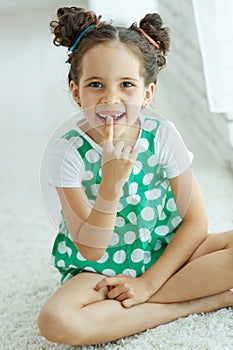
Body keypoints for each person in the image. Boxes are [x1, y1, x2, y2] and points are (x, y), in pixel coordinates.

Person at [38, 7, 233, 346]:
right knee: (56, 321)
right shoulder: (67, 153)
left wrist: (148, 283)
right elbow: (91, 249)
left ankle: (142, 301)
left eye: (126, 85)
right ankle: (189, 303)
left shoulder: (163, 136)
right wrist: (110, 186)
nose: (110, 98)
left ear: (147, 94)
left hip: (167, 251)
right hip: (99, 271)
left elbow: (195, 224)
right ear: (75, 91)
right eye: (95, 84)